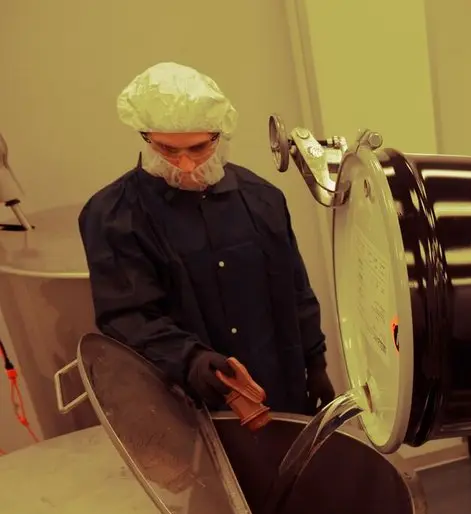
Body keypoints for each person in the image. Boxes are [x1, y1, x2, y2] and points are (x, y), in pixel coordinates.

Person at [78, 62, 333, 415]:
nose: (185, 165)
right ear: (146, 138)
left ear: (219, 135)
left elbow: (296, 290)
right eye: (168, 150)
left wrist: (315, 361)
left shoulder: (262, 201)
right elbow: (127, 316)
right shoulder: (114, 217)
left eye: (198, 149)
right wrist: (191, 360)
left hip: (279, 392)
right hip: (184, 406)